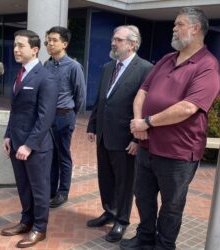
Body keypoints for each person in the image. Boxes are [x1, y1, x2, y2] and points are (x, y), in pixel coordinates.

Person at [122, 7, 220, 250]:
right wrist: (138, 124)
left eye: (179, 24)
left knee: (171, 205)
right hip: (147, 145)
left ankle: (164, 245)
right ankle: (145, 237)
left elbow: (188, 108)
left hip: (178, 152)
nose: (174, 28)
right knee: (143, 197)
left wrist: (147, 122)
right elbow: (142, 92)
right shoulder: (167, 59)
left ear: (196, 29)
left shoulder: (207, 65)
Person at [86, 25, 153, 242]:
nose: (113, 43)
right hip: (104, 135)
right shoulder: (108, 67)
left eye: (118, 40)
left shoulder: (145, 69)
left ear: (133, 44)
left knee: (125, 182)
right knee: (105, 178)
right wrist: (92, 125)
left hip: (126, 139)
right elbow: (101, 99)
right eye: (113, 39)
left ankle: (121, 221)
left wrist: (137, 139)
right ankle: (109, 211)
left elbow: (146, 107)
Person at [0, 29, 59, 248]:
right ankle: (26, 221)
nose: (16, 49)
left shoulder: (46, 78)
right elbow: (15, 110)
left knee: (39, 188)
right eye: (15, 45)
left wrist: (29, 144)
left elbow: (45, 117)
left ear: (34, 50)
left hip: (36, 147)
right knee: (23, 186)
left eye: (21, 46)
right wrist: (8, 135)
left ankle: (39, 228)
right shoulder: (20, 74)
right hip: (16, 142)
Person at [44, 26, 86, 208]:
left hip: (64, 115)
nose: (50, 44)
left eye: (54, 40)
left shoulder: (74, 66)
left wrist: (70, 116)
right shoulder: (47, 64)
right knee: (50, 155)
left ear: (64, 44)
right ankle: (51, 190)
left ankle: (63, 192)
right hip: (48, 117)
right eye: (48, 40)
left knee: (63, 155)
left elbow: (80, 96)